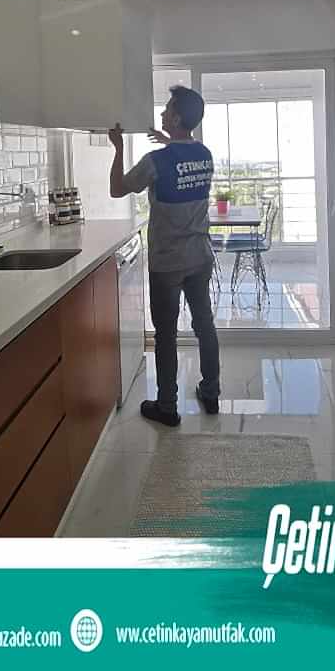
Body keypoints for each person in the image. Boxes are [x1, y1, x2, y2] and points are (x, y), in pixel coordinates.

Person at [108, 86, 221, 426]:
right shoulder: (205, 154)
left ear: (176, 117)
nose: (161, 113)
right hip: (200, 257)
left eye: (167, 109)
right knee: (204, 325)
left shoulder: (155, 161)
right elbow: (181, 159)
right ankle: (211, 392)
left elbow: (117, 189)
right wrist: (169, 140)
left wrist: (118, 148)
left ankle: (167, 406)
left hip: (168, 261)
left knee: (166, 333)